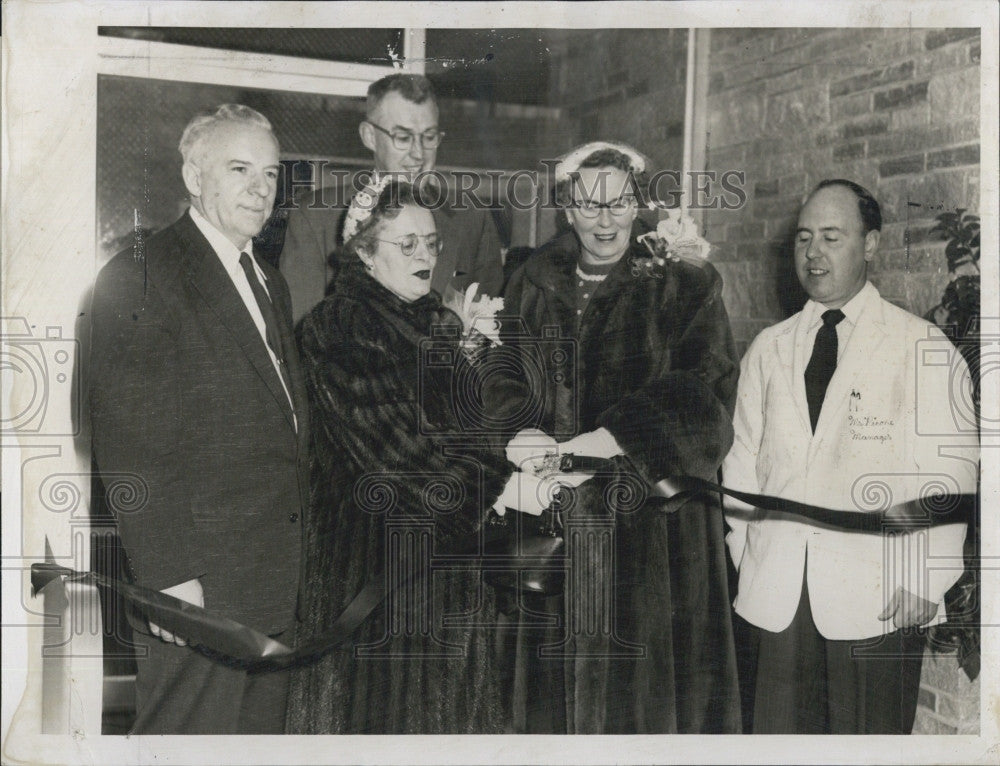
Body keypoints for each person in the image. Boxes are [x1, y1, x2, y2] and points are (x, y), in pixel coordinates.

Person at [286, 179, 553, 734]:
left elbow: (459, 429)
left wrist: (512, 443)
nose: (426, 256)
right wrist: (504, 482)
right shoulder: (341, 326)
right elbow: (401, 458)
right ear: (362, 250)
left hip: (440, 568)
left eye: (431, 243)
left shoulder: (427, 322)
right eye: (406, 244)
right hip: (376, 574)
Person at [499, 141, 742, 733]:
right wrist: (518, 430)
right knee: (551, 701)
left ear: (639, 204)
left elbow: (707, 394)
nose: (604, 220)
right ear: (566, 208)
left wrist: (615, 437)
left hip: (655, 529)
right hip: (553, 523)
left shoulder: (683, 282)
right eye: (588, 203)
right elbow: (498, 374)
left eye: (619, 202)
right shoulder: (531, 282)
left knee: (645, 700)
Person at [722, 179, 979, 734]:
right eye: (803, 238)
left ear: (871, 244)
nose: (813, 252)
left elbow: (953, 473)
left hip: (880, 600)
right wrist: (752, 556)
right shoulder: (768, 349)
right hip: (776, 599)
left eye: (832, 237)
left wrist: (925, 578)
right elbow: (742, 464)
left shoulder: (922, 346)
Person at [88, 104, 309, 733]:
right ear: (193, 177)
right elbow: (131, 442)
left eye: (270, 174)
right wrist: (170, 580)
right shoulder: (141, 273)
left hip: (270, 583)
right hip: (199, 586)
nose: (260, 188)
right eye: (239, 169)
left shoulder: (268, 279)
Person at [278, 73, 504, 324]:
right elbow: (300, 338)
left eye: (428, 137)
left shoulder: (473, 219)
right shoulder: (315, 217)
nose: (418, 154)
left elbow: (489, 335)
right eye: (403, 138)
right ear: (369, 137)